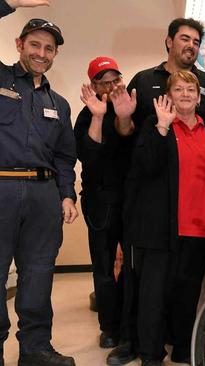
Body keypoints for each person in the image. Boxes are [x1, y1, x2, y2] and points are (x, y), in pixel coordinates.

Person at [111, 17, 205, 365]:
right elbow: (143, 167)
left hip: (197, 228)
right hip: (160, 229)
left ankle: (184, 347)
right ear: (168, 95)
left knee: (186, 295)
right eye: (178, 90)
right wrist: (162, 128)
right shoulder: (154, 125)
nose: (186, 95)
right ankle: (150, 354)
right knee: (152, 296)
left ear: (200, 97)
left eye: (191, 91)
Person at [0, 1, 77, 365]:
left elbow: (64, 157)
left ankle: (35, 349)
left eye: (49, 48)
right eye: (35, 45)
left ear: (55, 54)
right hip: (1, 189)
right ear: (19, 44)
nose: (41, 54)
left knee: (39, 275)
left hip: (44, 196)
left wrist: (66, 195)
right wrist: (9, 3)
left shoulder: (59, 104)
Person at [73, 56, 136, 350]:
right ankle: (109, 327)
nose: (111, 86)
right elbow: (89, 157)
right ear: (94, 85)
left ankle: (129, 325)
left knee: (132, 266)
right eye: (104, 81)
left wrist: (123, 116)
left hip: (131, 200)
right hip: (100, 201)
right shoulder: (87, 116)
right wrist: (98, 116)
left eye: (115, 80)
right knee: (104, 266)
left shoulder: (128, 108)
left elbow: (130, 138)